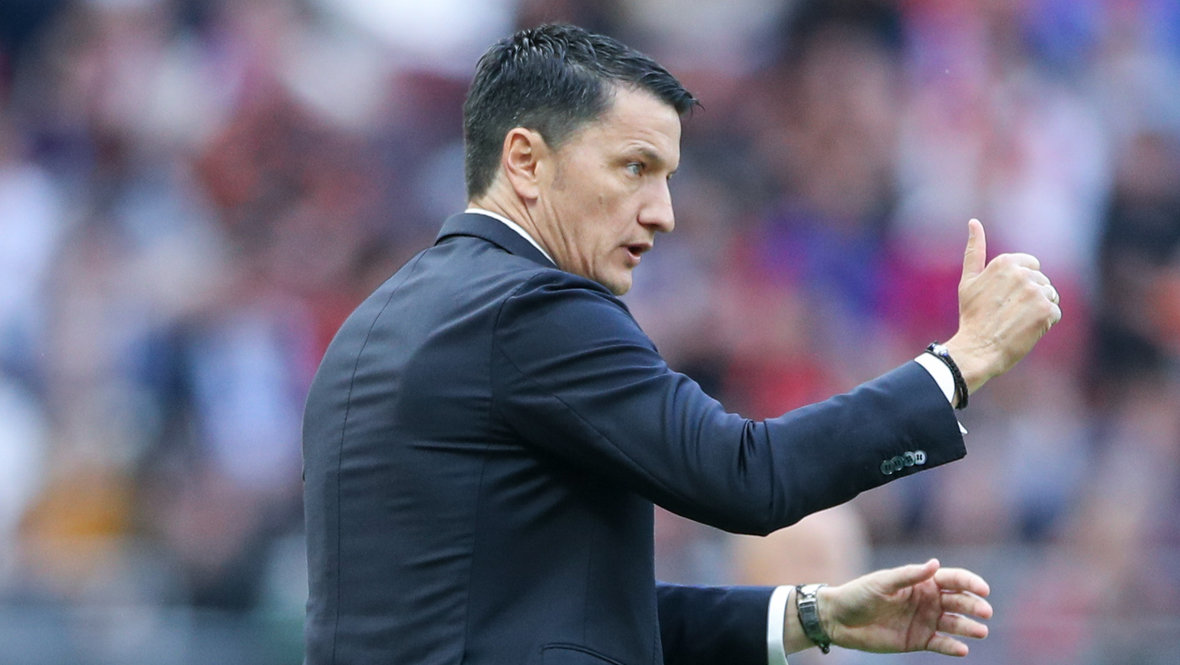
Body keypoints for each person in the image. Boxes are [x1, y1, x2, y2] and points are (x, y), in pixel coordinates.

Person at [301, 23, 1061, 665]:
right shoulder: (533, 308)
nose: (662, 212)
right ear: (526, 162)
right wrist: (961, 363)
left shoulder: (374, 327)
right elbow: (745, 475)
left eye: (666, 176)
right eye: (634, 168)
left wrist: (815, 614)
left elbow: (558, 616)